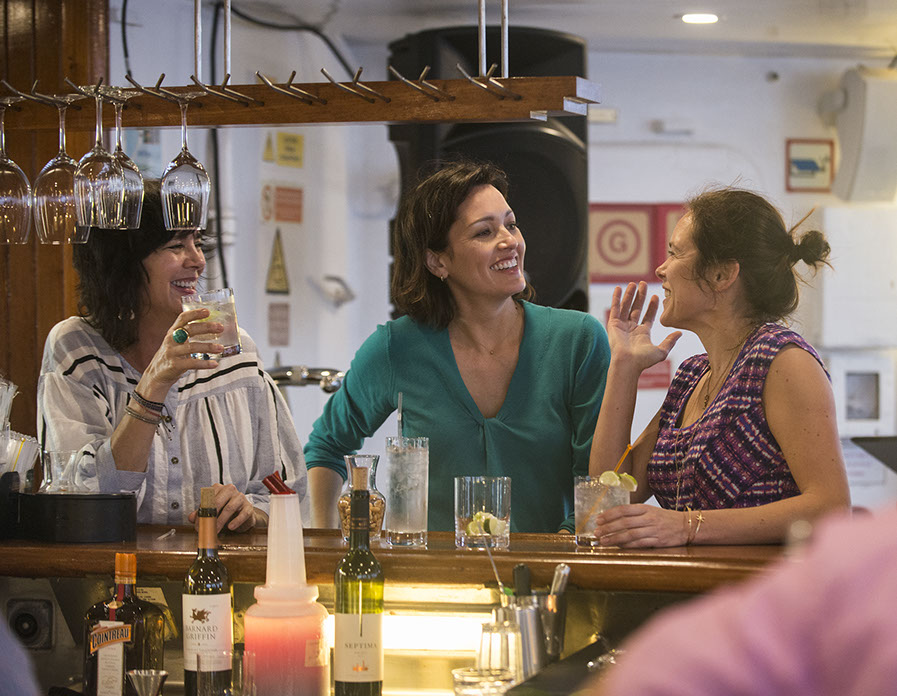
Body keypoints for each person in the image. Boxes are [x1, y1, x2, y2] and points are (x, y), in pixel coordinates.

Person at [304, 159, 610, 532]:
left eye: (511, 224)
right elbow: (327, 446)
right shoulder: (396, 349)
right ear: (437, 261)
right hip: (433, 568)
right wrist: (323, 543)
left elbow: (597, 481)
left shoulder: (578, 340)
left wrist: (560, 549)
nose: (510, 241)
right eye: (484, 232)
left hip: (551, 565)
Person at [37, 180, 307, 531]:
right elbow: (80, 500)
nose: (197, 261)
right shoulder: (76, 348)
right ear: (124, 264)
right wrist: (154, 384)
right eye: (176, 246)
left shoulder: (234, 351)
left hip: (215, 562)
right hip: (112, 564)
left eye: (198, 242)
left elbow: (288, 490)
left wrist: (250, 512)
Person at [589, 187, 849, 546]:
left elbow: (831, 507)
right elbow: (610, 496)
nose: (661, 269)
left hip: (765, 582)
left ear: (721, 275)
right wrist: (623, 367)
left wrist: (686, 526)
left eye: (674, 253)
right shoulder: (692, 375)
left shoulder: (783, 360)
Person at [590, 505, 897, 696]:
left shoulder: (867, 562)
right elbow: (603, 498)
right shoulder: (674, 412)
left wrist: (686, 525)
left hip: (749, 581)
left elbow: (829, 503)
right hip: (713, 605)